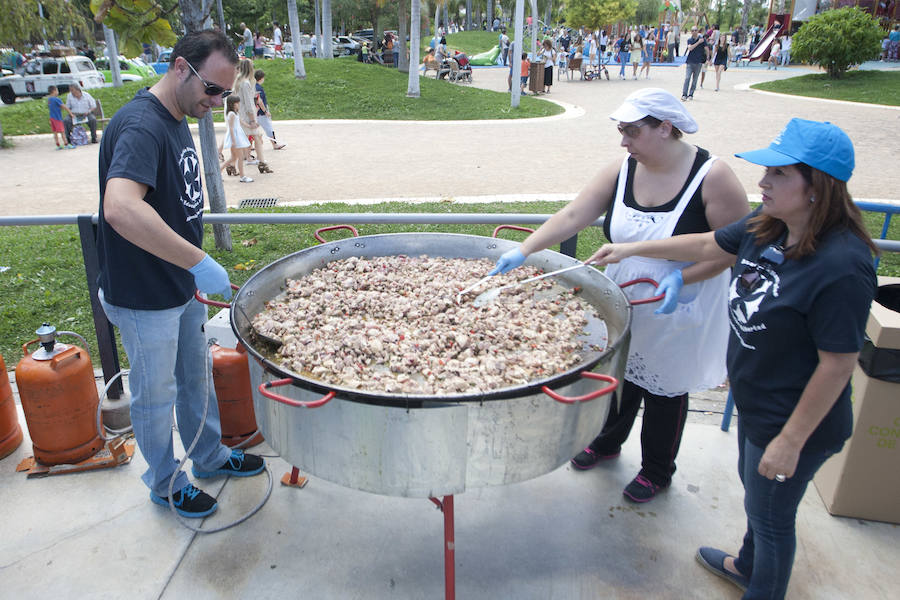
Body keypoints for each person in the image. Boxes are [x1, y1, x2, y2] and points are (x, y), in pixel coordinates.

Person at [587, 118, 877, 599]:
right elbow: (708, 243)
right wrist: (631, 249)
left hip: (793, 420)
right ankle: (746, 563)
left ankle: (762, 586)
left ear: (817, 186)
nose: (763, 182)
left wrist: (790, 441)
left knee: (772, 518)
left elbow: (837, 364)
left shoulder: (842, 265)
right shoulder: (770, 226)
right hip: (758, 403)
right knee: (758, 499)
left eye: (779, 174)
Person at [488, 88, 750, 502]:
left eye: (632, 131)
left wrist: (684, 276)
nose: (624, 141)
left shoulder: (713, 176)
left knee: (664, 387)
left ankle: (657, 469)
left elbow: (731, 248)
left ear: (665, 128)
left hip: (681, 294)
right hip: (624, 286)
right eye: (621, 131)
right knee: (621, 369)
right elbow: (575, 214)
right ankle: (607, 441)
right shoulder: (623, 169)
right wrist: (524, 250)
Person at [96, 29, 266, 519]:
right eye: (211, 89)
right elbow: (120, 208)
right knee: (155, 396)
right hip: (143, 293)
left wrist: (191, 271)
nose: (216, 101)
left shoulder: (177, 115)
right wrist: (199, 261)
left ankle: (208, 456)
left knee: (195, 380)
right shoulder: (142, 125)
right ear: (178, 68)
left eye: (224, 93)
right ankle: (165, 482)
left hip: (179, 287)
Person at [234, 58, 273, 173]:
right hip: (247, 115)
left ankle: (261, 162)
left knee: (251, 138)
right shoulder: (245, 83)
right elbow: (249, 103)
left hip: (241, 113)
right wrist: (252, 119)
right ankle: (261, 162)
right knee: (255, 137)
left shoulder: (239, 81)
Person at [221, 94, 253, 182]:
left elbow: (241, 122)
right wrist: (233, 140)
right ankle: (242, 176)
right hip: (235, 137)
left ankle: (218, 171)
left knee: (233, 157)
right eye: (237, 103)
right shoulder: (231, 114)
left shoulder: (235, 113)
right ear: (232, 104)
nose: (238, 104)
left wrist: (250, 126)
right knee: (240, 157)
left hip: (237, 136)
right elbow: (231, 128)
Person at [254, 69, 285, 151]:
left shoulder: (254, 86)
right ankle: (275, 144)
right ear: (261, 78)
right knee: (269, 128)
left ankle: (249, 146)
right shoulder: (258, 88)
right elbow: (259, 101)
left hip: (256, 112)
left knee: (253, 129)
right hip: (261, 112)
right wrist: (265, 111)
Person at [682, 27, 706, 101]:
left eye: (695, 30)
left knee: (695, 79)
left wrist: (708, 58)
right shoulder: (690, 40)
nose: (694, 32)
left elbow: (706, 48)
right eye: (692, 30)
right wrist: (698, 42)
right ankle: (684, 94)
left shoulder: (702, 40)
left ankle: (691, 94)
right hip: (690, 61)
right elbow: (690, 48)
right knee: (687, 78)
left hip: (698, 62)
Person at [47, 85, 71, 150]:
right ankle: (66, 144)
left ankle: (57, 144)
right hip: (57, 118)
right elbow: (64, 106)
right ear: (54, 91)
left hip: (52, 118)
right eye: (57, 90)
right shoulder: (57, 99)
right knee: (62, 131)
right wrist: (70, 113)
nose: (58, 92)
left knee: (55, 132)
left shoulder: (49, 100)